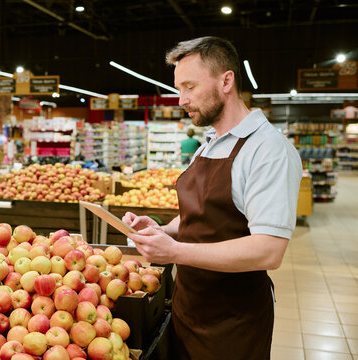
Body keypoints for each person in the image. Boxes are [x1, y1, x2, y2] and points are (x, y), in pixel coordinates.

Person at [123, 36, 302, 360]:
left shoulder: (268, 150)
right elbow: (204, 212)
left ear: (226, 80)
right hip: (189, 306)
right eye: (179, 89)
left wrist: (175, 251)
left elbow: (268, 250)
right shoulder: (210, 144)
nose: (181, 100)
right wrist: (166, 230)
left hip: (233, 323)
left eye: (189, 87)